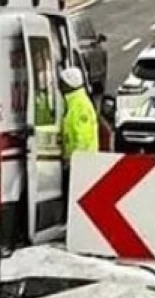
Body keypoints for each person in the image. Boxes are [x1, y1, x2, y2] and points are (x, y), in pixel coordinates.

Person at [58, 66, 99, 199]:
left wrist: (75, 160)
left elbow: (83, 137)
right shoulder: (73, 102)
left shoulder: (79, 105)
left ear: (69, 84)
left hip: (82, 163)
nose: (59, 86)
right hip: (77, 162)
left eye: (62, 82)